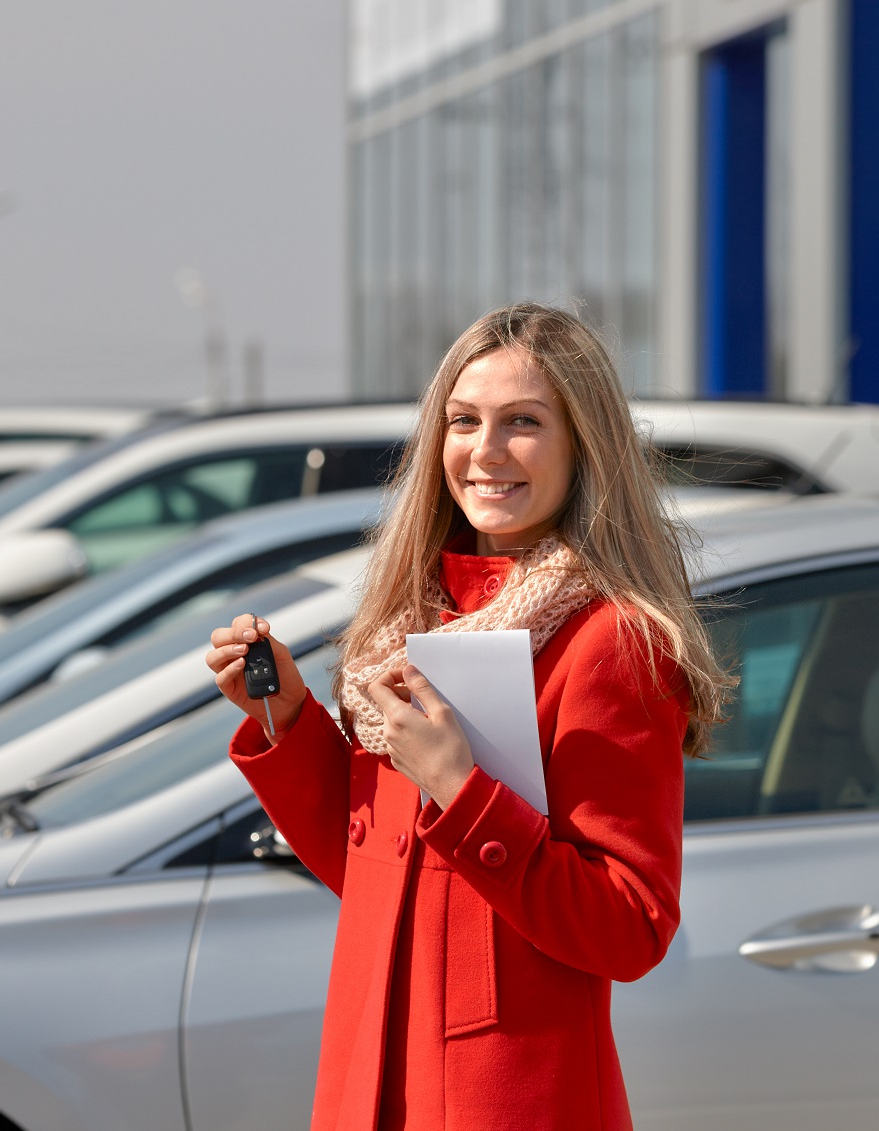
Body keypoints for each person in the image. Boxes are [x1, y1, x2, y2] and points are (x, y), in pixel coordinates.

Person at [205, 303, 731, 1131]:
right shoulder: (409, 621)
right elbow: (378, 874)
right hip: (370, 1079)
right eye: (464, 421)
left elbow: (631, 926)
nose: (485, 450)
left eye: (523, 422)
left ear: (583, 444)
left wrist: (461, 788)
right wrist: (290, 718)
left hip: (505, 1101)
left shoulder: (611, 640)